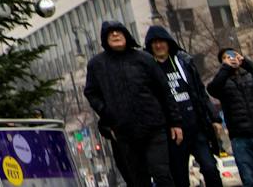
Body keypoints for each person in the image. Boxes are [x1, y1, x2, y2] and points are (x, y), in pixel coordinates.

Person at [85, 20, 184, 187]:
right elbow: (91, 93)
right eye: (110, 33)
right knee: (137, 178)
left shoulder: (144, 59)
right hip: (124, 131)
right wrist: (107, 114)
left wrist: (175, 122)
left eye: (118, 31)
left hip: (154, 127)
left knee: (161, 172)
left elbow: (164, 91)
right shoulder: (97, 65)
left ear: (126, 35)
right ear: (105, 39)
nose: (115, 35)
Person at [148, 26, 224, 187]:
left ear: (168, 43)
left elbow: (200, 93)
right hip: (172, 134)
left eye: (161, 41)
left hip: (196, 127)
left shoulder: (184, 63)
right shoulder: (148, 69)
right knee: (179, 177)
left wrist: (214, 118)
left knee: (210, 168)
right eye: (154, 43)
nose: (158, 46)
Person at [210, 47, 253, 187]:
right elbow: (212, 89)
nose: (231, 58)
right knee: (249, 180)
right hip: (240, 138)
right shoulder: (222, 82)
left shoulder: (252, 76)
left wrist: (245, 62)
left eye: (233, 55)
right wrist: (226, 68)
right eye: (226, 57)